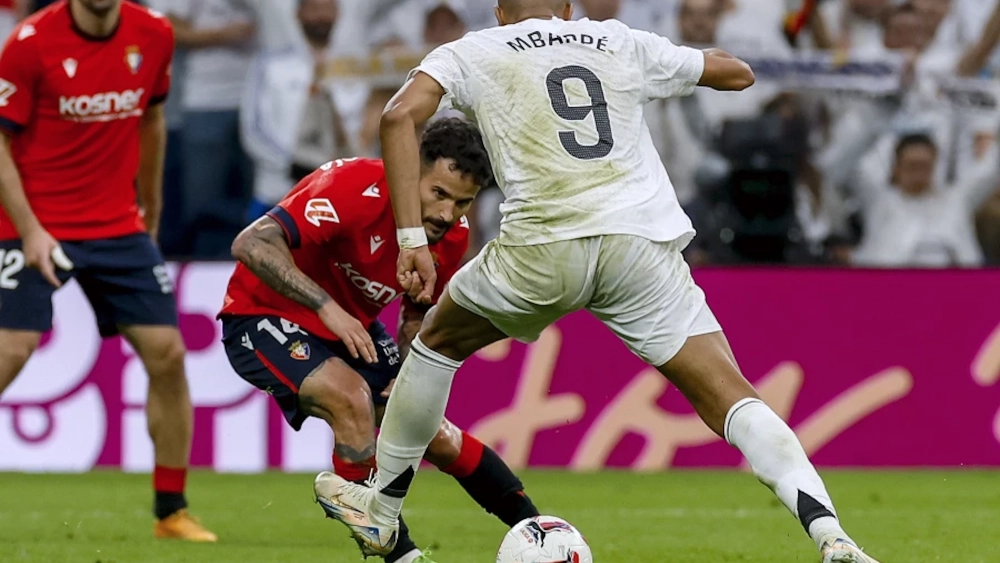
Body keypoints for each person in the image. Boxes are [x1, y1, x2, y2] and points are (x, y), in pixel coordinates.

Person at [317, 2, 883, 563]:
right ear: (567, 9)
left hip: (543, 245)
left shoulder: (472, 50)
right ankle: (832, 536)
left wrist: (412, 240)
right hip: (639, 247)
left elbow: (398, 116)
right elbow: (737, 73)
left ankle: (383, 511)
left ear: (499, 13)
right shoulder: (618, 40)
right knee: (733, 397)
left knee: (435, 344)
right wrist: (690, 61)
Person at [218, 117, 540, 563]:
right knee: (351, 399)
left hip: (351, 328)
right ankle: (402, 557)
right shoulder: (352, 186)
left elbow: (417, 311)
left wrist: (409, 372)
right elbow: (251, 244)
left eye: (462, 202)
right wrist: (327, 308)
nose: (446, 214)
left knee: (430, 429)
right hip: (262, 314)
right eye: (438, 193)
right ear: (411, 172)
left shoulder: (452, 236)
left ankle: (539, 530)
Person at [0, 0, 215, 542]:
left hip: (116, 224)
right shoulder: (29, 44)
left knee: (168, 354)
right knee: (12, 350)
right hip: (32, 220)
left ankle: (171, 512)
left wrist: (151, 211)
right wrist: (30, 230)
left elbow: (152, 121)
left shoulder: (155, 33)